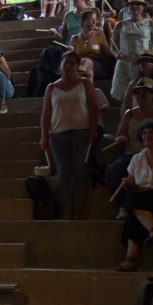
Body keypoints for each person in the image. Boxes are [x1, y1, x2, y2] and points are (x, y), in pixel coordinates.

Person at [40, 51, 98, 220]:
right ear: (61, 65)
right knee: (63, 173)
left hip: (81, 132)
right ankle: (66, 210)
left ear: (77, 66)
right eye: (66, 63)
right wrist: (43, 136)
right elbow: (45, 114)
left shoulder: (85, 83)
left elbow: (94, 108)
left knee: (80, 172)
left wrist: (93, 130)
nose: (69, 66)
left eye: (73, 63)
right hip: (58, 134)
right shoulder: (51, 87)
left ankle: (78, 210)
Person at [108, 78, 153, 220]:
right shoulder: (129, 113)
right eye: (137, 93)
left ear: (152, 94)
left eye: (144, 93)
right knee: (115, 169)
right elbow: (119, 135)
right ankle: (123, 207)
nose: (140, 96)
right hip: (132, 154)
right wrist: (121, 139)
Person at [115, 120, 153, 271]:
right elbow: (132, 184)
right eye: (144, 133)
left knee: (134, 208)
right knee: (132, 199)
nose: (147, 135)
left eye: (152, 132)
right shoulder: (137, 159)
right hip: (144, 200)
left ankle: (130, 259)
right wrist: (127, 183)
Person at [110, 0, 153, 101]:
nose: (134, 6)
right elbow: (112, 46)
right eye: (131, 4)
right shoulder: (120, 24)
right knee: (123, 97)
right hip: (124, 63)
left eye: (138, 4)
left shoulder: (150, 23)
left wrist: (148, 56)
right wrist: (116, 54)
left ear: (143, 7)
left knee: (140, 95)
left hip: (141, 64)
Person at [69, 8, 111, 79]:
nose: (94, 22)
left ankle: (78, 76)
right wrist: (71, 51)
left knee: (85, 61)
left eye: (95, 20)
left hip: (97, 65)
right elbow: (70, 57)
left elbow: (107, 54)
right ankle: (87, 88)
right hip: (80, 64)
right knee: (88, 71)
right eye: (91, 20)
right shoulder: (74, 38)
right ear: (83, 21)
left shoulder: (99, 35)